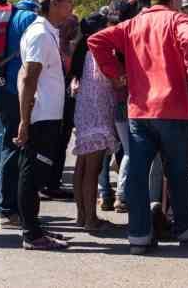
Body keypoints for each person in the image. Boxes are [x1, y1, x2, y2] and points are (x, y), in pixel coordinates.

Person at [88, 0, 188, 255]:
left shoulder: (132, 24)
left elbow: (96, 40)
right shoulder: (179, 21)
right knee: (177, 172)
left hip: (139, 111)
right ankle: (186, 231)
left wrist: (116, 75)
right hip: (174, 109)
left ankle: (138, 235)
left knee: (138, 175)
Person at [16, 0, 78, 250]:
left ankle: (36, 227)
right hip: (41, 116)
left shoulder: (48, 31)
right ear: (52, 3)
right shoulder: (40, 33)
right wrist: (24, 120)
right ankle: (31, 234)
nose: (71, 4)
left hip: (49, 114)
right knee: (32, 175)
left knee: (37, 174)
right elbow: (29, 77)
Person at [0, 0, 54, 229]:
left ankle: (4, 206)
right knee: (15, 145)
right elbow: (29, 70)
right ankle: (8, 209)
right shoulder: (31, 19)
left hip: (4, 87)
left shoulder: (15, 12)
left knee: (10, 143)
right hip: (15, 90)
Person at [71, 12, 118, 232]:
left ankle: (82, 216)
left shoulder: (83, 50)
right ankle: (90, 219)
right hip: (97, 114)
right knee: (92, 170)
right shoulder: (97, 51)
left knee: (82, 167)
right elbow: (112, 79)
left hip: (85, 112)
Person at [98, 0, 138, 213]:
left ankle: (104, 194)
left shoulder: (105, 36)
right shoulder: (125, 38)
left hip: (104, 101)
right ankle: (122, 196)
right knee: (130, 150)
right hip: (125, 101)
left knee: (105, 151)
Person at [43, 14, 79, 201]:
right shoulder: (53, 45)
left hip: (68, 102)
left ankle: (54, 182)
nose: (73, 29)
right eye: (69, 25)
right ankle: (45, 181)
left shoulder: (73, 48)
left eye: (75, 26)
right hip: (52, 100)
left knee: (62, 141)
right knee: (50, 142)